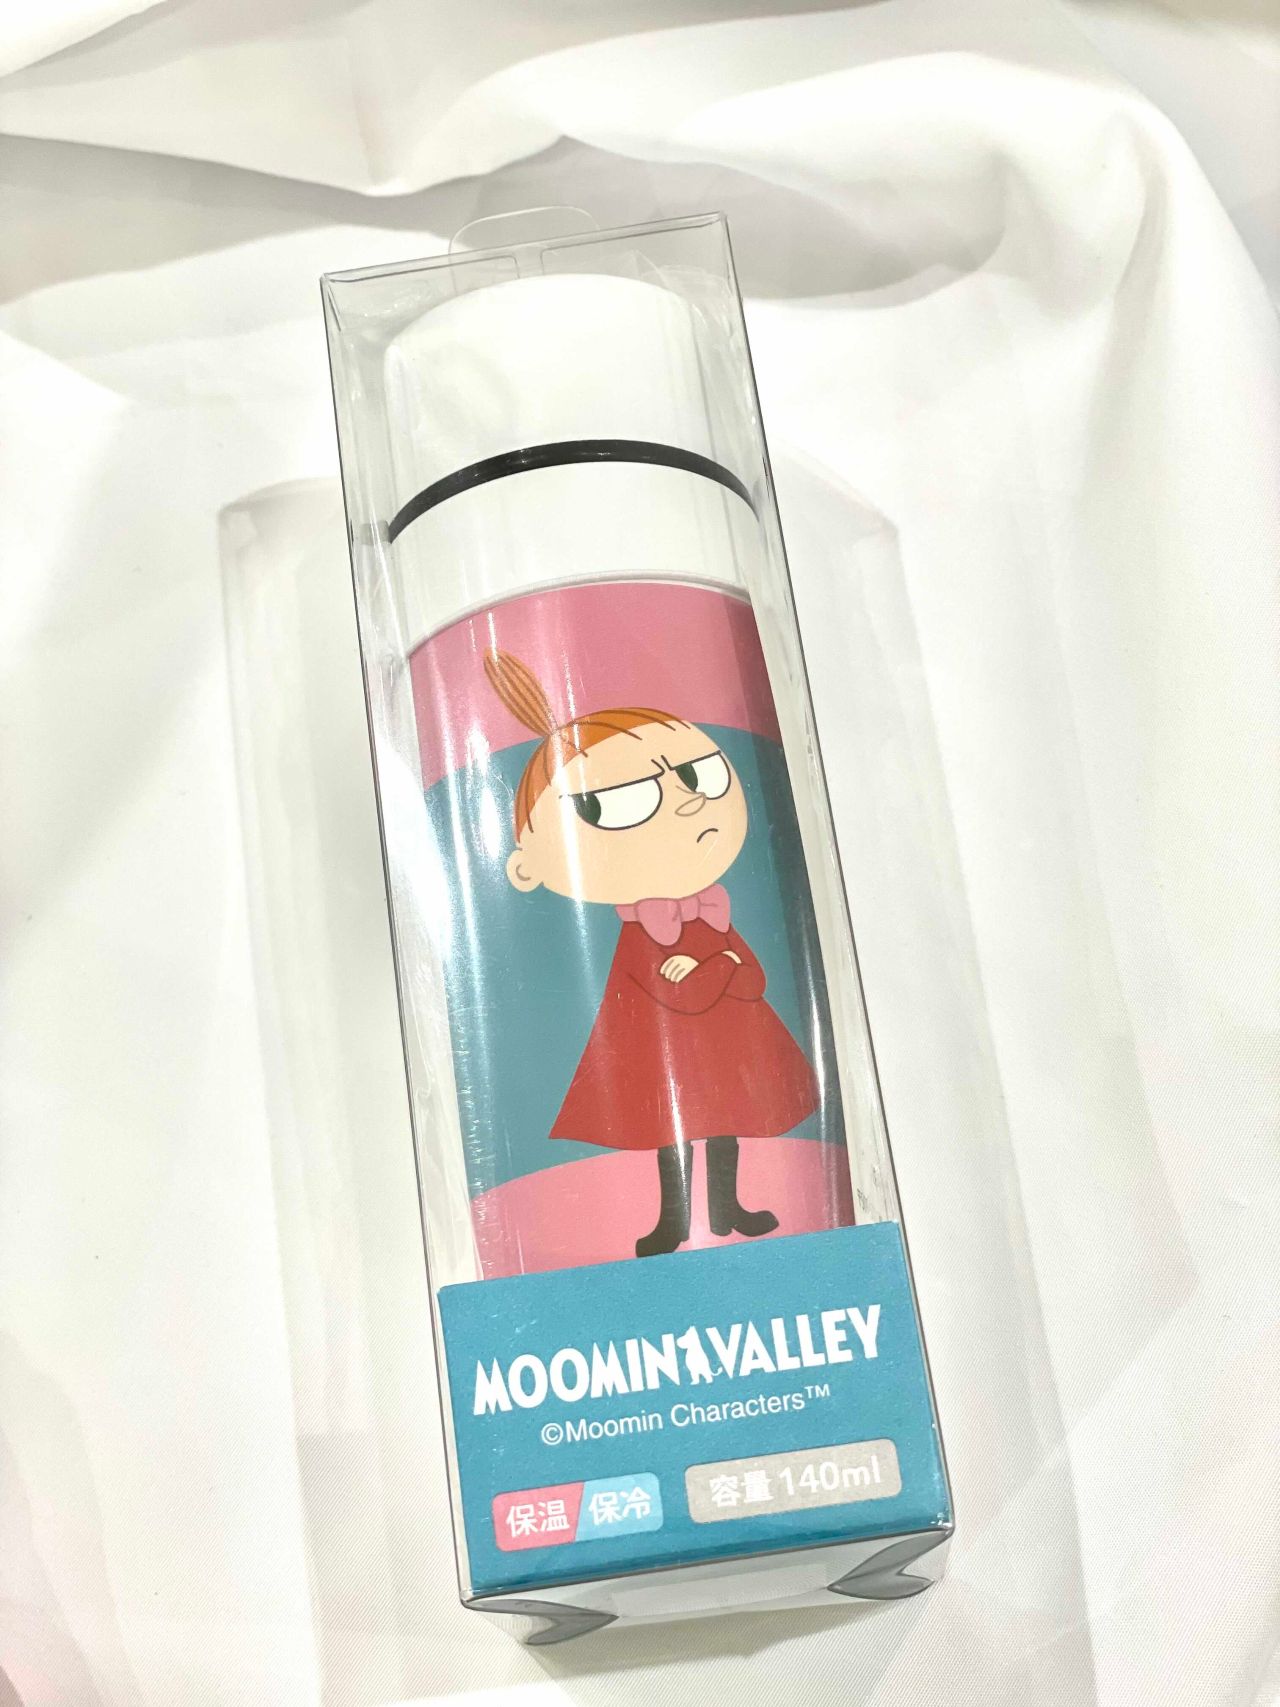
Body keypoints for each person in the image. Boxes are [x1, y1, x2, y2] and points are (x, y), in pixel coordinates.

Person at [484, 649, 821, 1258]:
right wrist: (721, 969)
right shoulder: (644, 930)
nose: (686, 803)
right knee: (675, 1132)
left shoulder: (709, 912)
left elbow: (753, 979)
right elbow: (680, 994)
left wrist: (716, 966)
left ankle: (728, 1209)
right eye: (621, 803)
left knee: (727, 1125)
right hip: (667, 1054)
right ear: (529, 864)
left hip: (724, 1051)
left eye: (699, 777)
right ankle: (675, 1221)